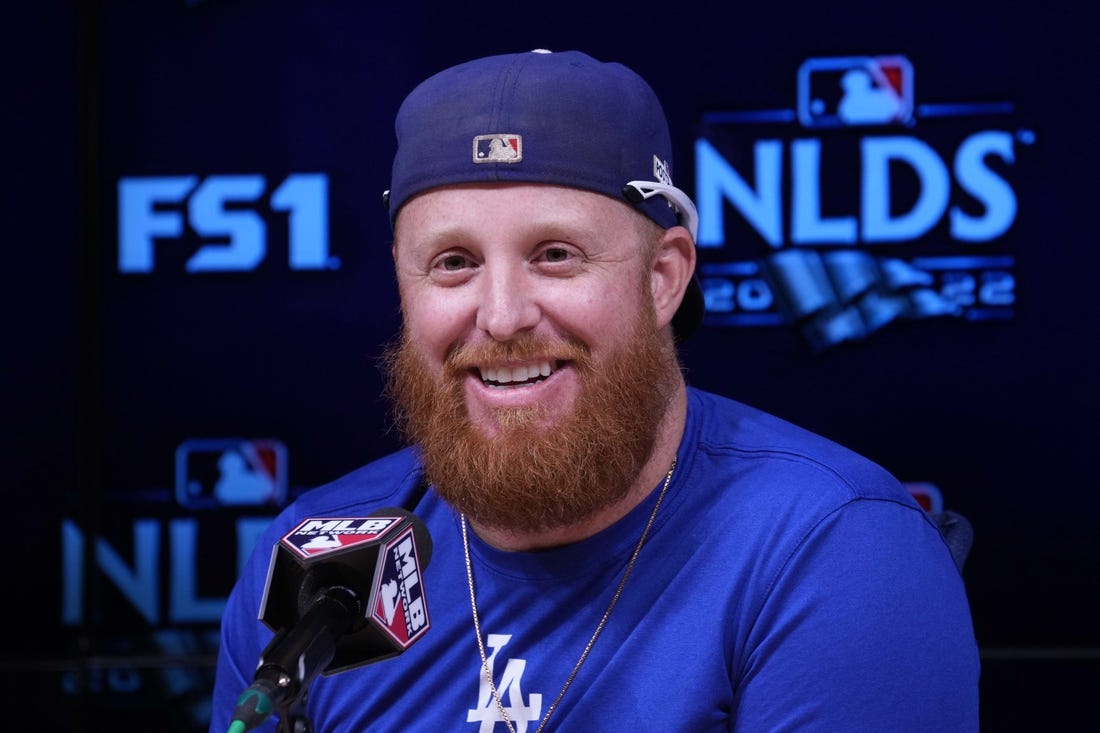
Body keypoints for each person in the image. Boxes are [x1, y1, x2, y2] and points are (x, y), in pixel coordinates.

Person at [210, 49, 979, 732]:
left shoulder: (831, 548)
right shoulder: (314, 561)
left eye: (555, 254)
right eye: (453, 262)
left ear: (664, 277)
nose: (502, 315)